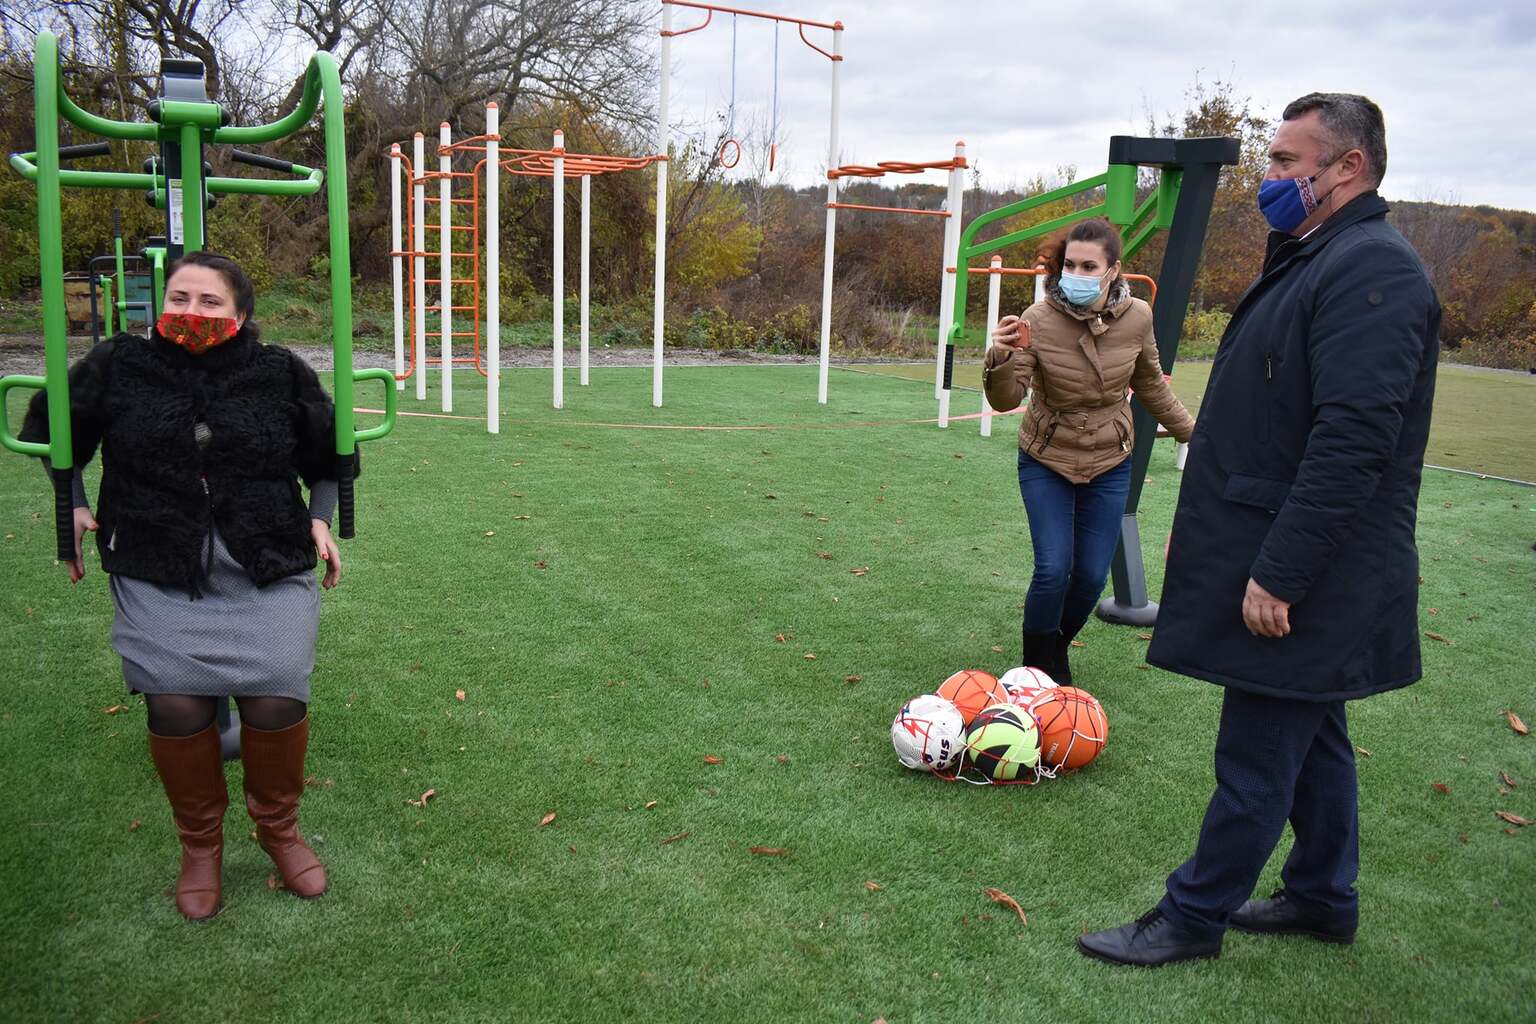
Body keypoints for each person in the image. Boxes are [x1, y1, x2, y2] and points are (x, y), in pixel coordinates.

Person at [1077, 93, 1441, 967]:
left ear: (1345, 168)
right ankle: (1323, 896)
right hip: (1287, 549)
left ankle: (1192, 915)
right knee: (1312, 735)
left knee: (1258, 748)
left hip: (1318, 569)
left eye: (1284, 163)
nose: (1268, 179)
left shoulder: (1371, 269)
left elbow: (1354, 445)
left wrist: (1280, 573)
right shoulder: (1317, 254)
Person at [20, 251, 353, 920]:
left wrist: (319, 521)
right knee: (175, 705)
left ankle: (277, 829)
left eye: (209, 303)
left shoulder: (277, 370)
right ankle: (200, 846)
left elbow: (330, 455)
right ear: (160, 302)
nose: (191, 313)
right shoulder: (122, 364)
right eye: (180, 298)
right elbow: (58, 431)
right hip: (156, 552)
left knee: (276, 697)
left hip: (263, 551)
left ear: (241, 315)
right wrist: (74, 499)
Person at [984, 218, 1194, 683]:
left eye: (1087, 266)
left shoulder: (1138, 316)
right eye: (1068, 265)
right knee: (1054, 568)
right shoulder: (1035, 321)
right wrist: (998, 357)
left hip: (1110, 460)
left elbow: (1150, 387)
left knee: (1091, 576)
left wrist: (1192, 433)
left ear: (1113, 270)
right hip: (1046, 458)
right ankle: (1035, 668)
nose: (1075, 274)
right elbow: (1006, 399)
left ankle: (1055, 648)